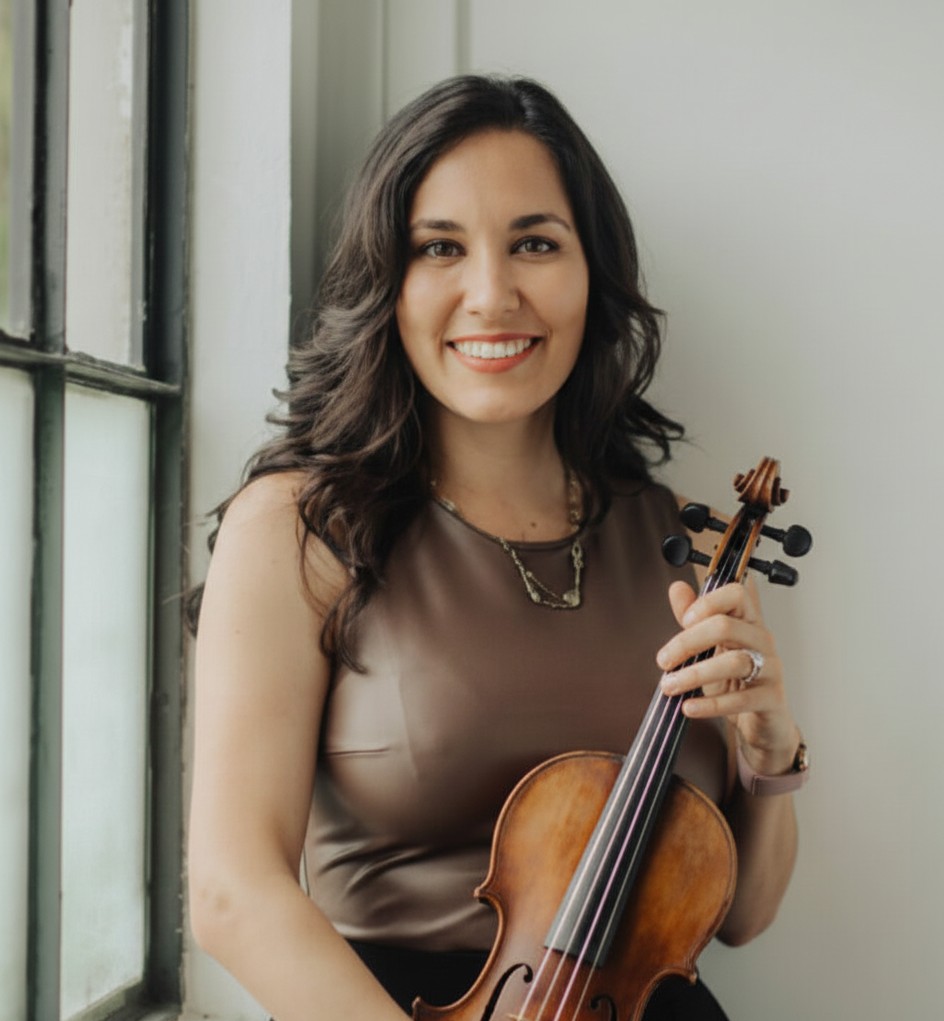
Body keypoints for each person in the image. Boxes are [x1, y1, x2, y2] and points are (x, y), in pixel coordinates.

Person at [187, 74, 806, 1021]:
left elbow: (744, 915)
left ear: (591, 270)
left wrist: (769, 747)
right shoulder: (302, 525)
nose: (491, 293)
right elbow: (234, 894)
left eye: (535, 243)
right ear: (385, 283)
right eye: (440, 248)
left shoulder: (683, 535)